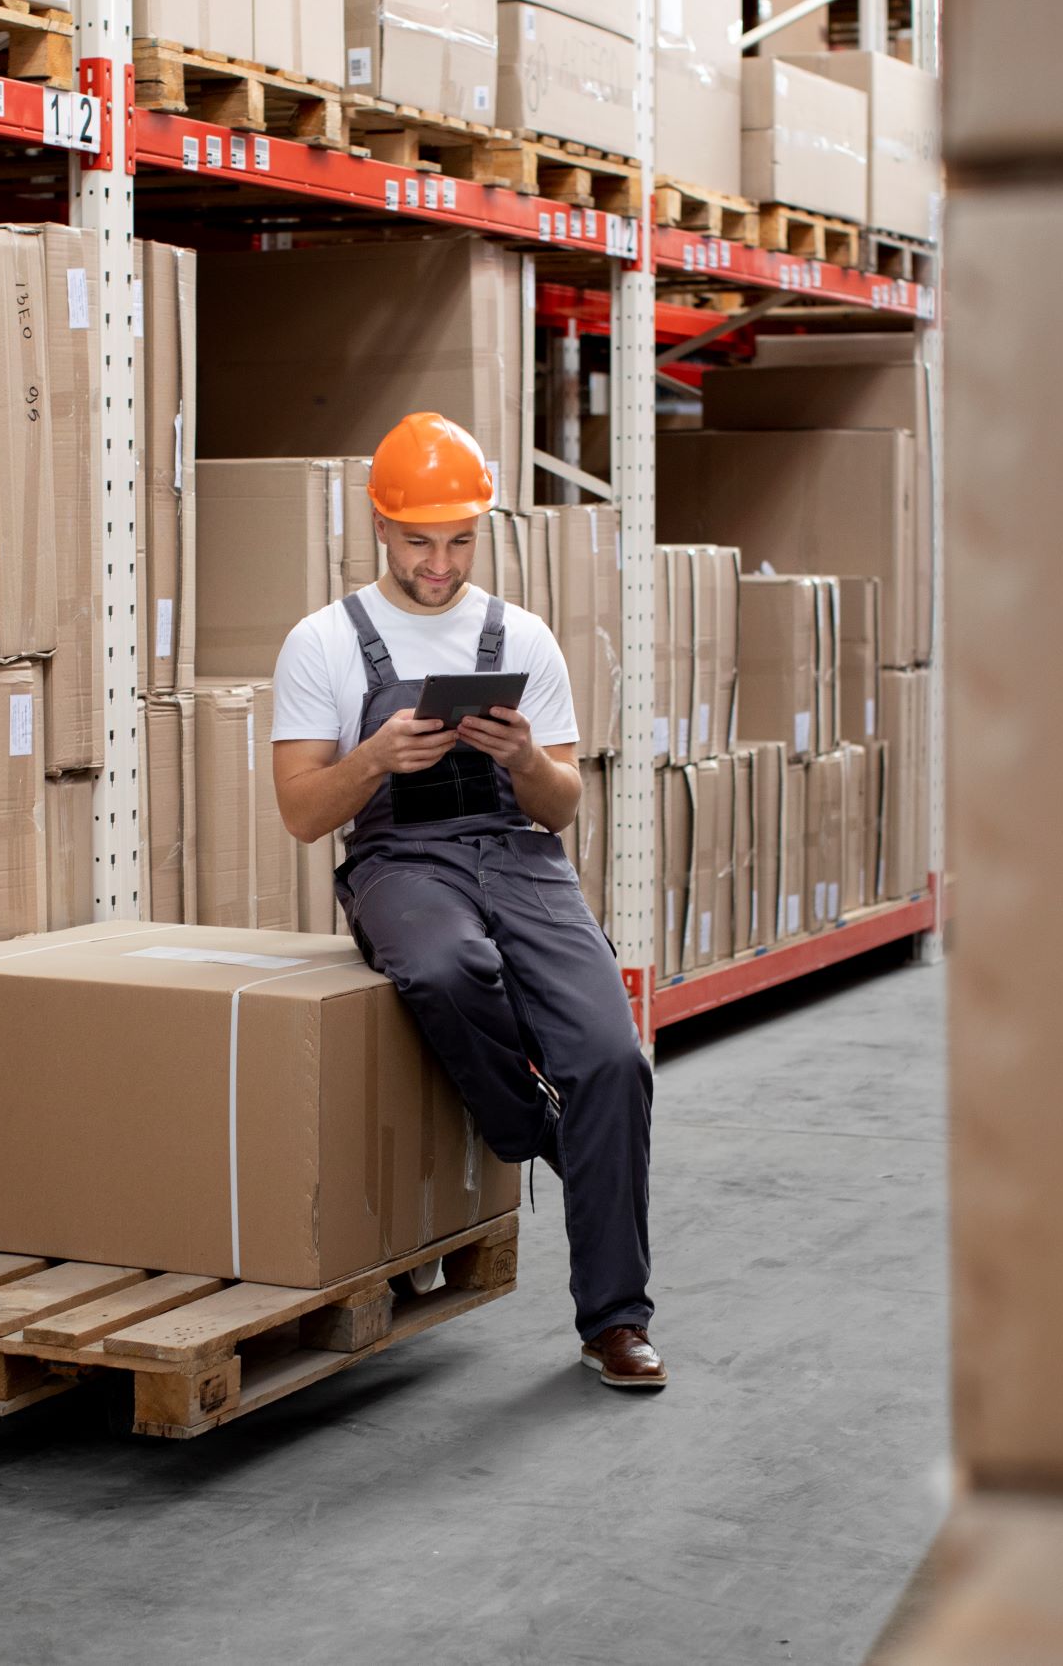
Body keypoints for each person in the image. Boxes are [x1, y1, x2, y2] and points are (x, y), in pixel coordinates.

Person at [270, 412, 664, 1391]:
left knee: (612, 1055)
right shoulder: (323, 642)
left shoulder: (519, 637)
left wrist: (525, 756)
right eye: (418, 541)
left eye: (457, 540)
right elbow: (299, 812)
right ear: (380, 527)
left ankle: (614, 1320)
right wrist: (374, 757)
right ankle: (533, 1129)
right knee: (447, 966)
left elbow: (565, 803)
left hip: (519, 857)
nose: (438, 563)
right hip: (401, 863)